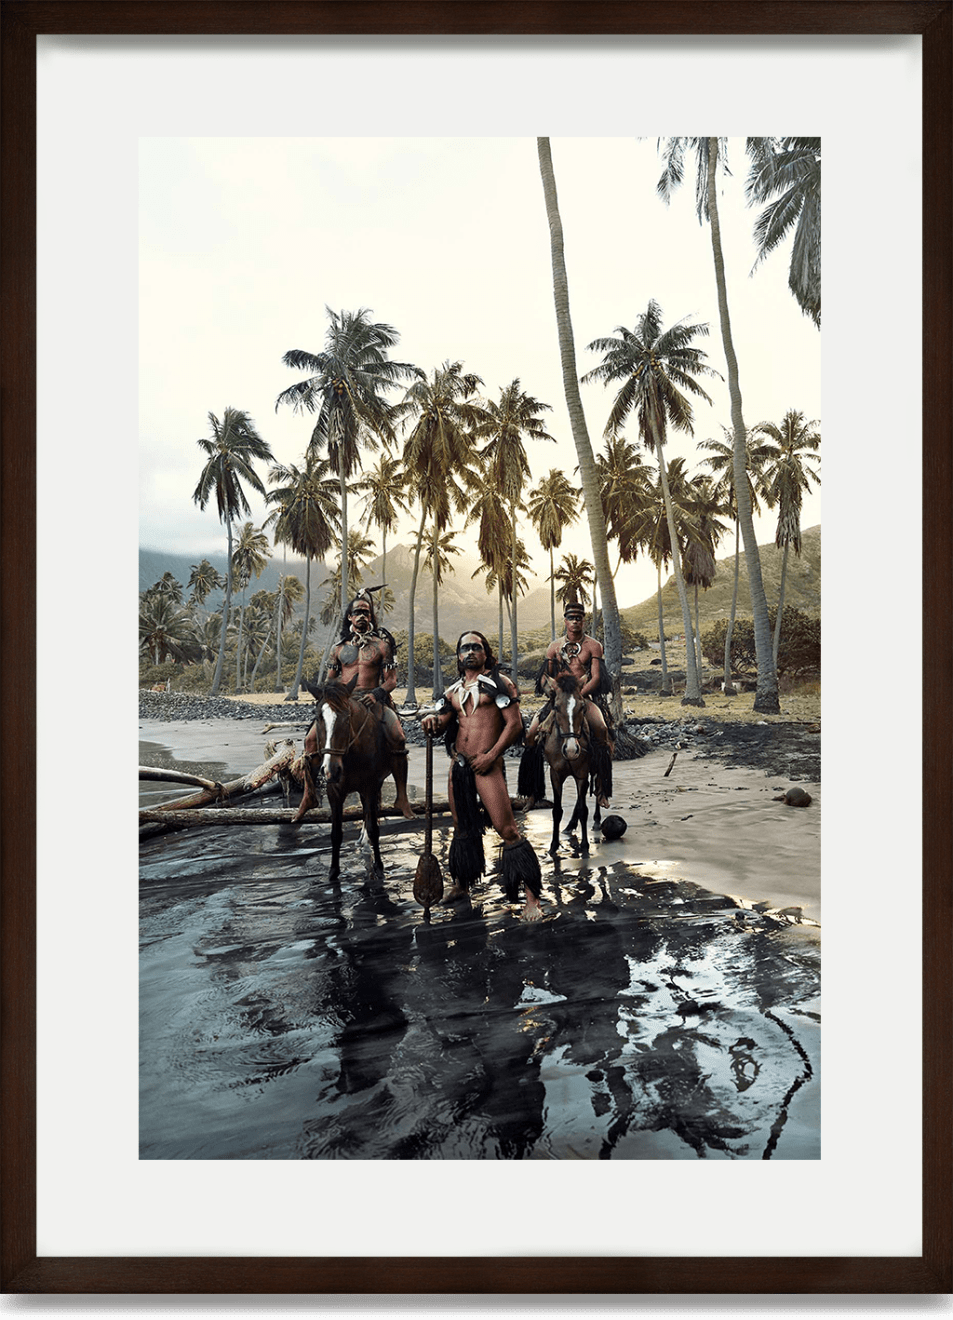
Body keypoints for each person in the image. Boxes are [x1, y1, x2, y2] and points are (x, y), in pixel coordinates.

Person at [422, 631, 543, 921]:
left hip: (486, 765)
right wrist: (432, 721)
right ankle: (461, 886)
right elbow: (442, 722)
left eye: (477, 647)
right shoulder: (452, 692)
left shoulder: (499, 685)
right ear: (459, 656)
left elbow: (514, 725)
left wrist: (491, 755)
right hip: (459, 766)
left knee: (507, 829)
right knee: (461, 826)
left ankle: (532, 899)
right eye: (465, 648)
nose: (471, 652)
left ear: (486, 653)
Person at [295, 590, 414, 821]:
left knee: (398, 736)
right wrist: (334, 697)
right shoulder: (338, 649)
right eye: (357, 612)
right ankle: (310, 795)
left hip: (374, 700)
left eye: (365, 613)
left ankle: (402, 796)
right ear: (349, 617)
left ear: (370, 617)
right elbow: (330, 680)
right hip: (344, 701)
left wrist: (378, 693)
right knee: (310, 740)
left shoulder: (382, 646)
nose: (361, 616)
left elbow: (392, 680)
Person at [525, 601, 613, 807]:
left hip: (583, 697)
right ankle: (532, 791)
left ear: (584, 620)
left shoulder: (594, 646)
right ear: (565, 621)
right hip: (558, 699)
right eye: (571, 618)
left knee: (601, 729)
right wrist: (556, 693)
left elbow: (597, 678)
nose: (575, 621)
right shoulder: (553, 647)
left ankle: (601, 788)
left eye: (579, 618)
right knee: (530, 735)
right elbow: (546, 676)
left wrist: (577, 696)